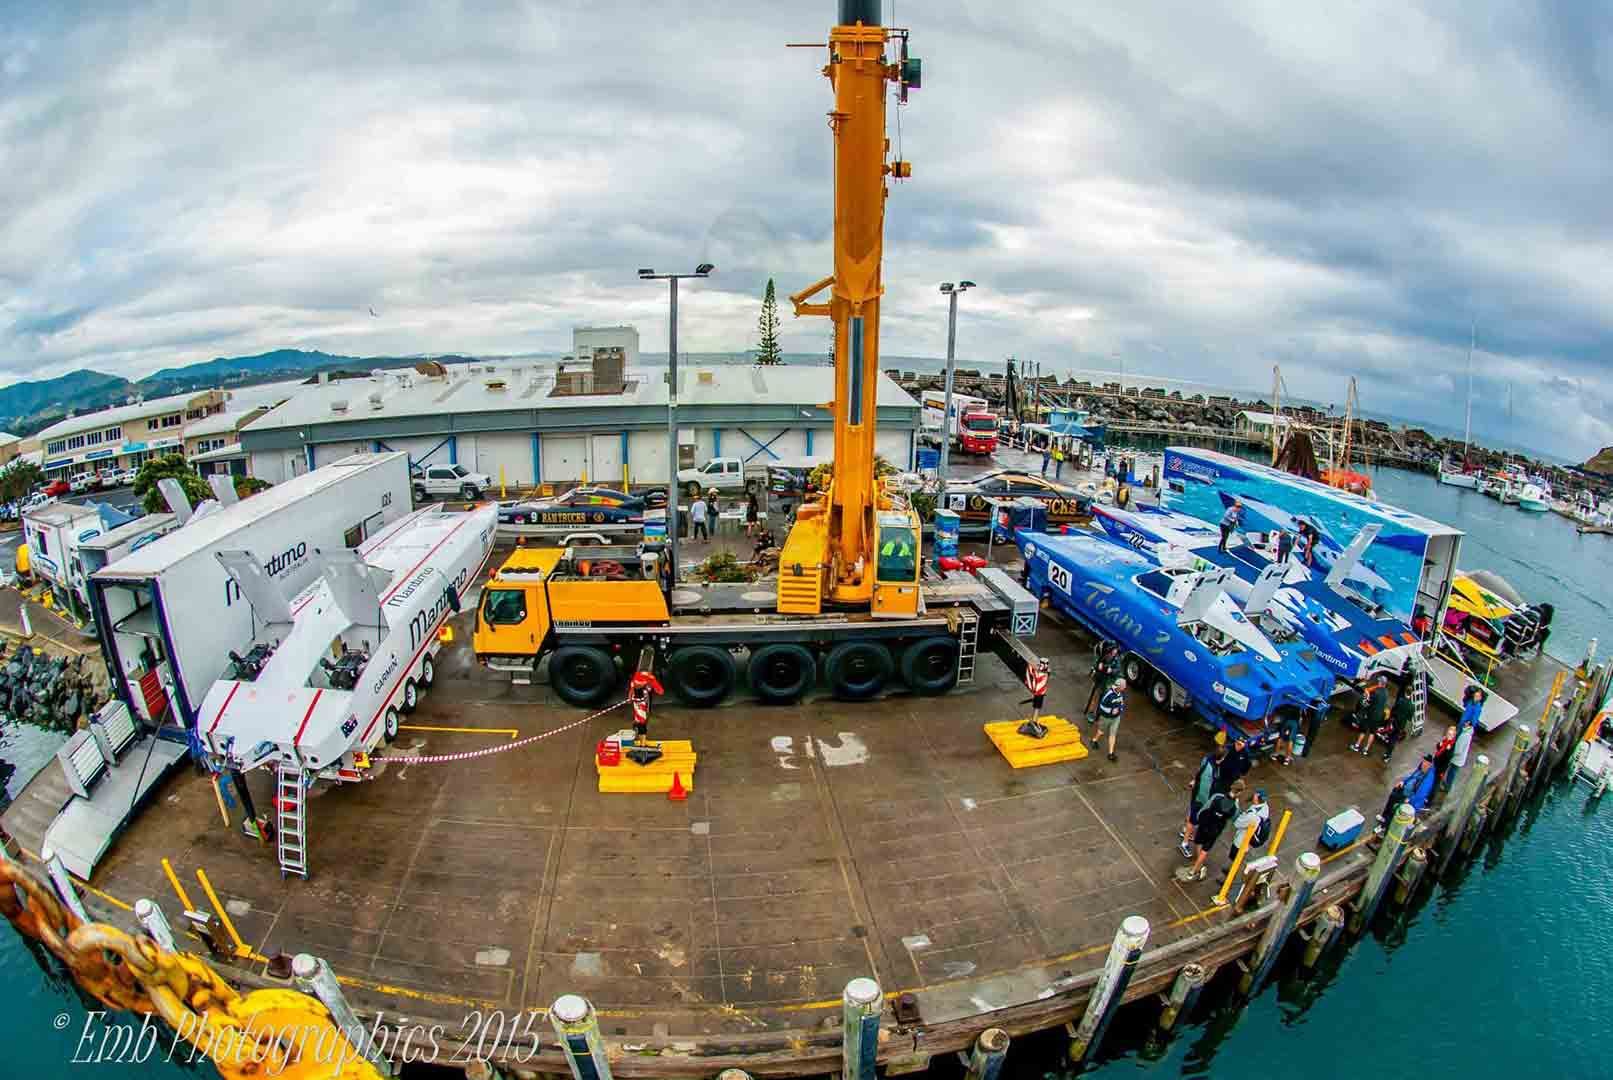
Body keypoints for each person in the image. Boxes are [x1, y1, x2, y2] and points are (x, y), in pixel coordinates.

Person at [1177, 780, 1244, 882]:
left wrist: (1200, 818)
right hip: (1215, 830)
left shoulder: (1217, 797)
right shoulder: (1235, 807)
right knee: (1205, 850)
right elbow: (1235, 818)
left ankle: (1199, 865)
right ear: (1239, 793)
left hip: (1205, 824)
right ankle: (1193, 871)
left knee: (1198, 843)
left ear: (1231, 787)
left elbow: (1205, 807)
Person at [1181, 740, 1227, 858]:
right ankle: (1185, 843)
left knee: (1192, 814)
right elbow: (1205, 789)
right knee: (1194, 820)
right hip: (1201, 798)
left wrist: (1194, 781)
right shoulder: (1211, 770)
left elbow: (1199, 772)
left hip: (1198, 794)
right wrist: (1207, 803)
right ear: (1221, 758)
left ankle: (1186, 831)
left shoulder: (1207, 759)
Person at [1377, 755, 1437, 835]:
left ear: (1430, 765)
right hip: (1405, 792)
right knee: (1393, 795)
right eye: (1423, 761)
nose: (1423, 764)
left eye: (1425, 763)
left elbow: (1421, 794)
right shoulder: (1420, 769)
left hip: (1411, 800)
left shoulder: (1429, 778)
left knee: (1396, 808)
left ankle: (1384, 827)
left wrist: (1410, 799)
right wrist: (1403, 782)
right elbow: (1411, 777)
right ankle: (1384, 817)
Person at [1228, 788, 1272, 867]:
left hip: (1241, 841)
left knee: (1234, 857)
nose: (1253, 795)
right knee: (1238, 857)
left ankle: (1230, 873)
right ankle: (1231, 869)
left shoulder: (1252, 815)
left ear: (1257, 798)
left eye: (1255, 795)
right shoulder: (1265, 806)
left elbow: (1237, 823)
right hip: (1248, 840)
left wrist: (1236, 807)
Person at [1350, 675, 1391, 756]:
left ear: (1380, 682)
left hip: (1370, 714)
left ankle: (1356, 746)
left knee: (1363, 730)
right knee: (1372, 733)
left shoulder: (1376, 692)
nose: (1378, 682)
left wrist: (1367, 695)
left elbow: (1367, 702)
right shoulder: (1386, 692)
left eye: (1379, 681)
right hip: (1378, 716)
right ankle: (1366, 750)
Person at [1084, 640, 1122, 722]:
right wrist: (1098, 666)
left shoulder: (1116, 658)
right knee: (1095, 695)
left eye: (1116, 649)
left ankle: (1101, 712)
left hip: (1109, 680)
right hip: (1099, 678)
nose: (1115, 651)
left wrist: (1111, 670)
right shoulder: (1101, 653)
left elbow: (1118, 670)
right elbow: (1096, 663)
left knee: (1105, 697)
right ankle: (1091, 712)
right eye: (1113, 649)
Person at [1095, 677, 1126, 762]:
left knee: (1113, 734)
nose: (1125, 688)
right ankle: (1095, 740)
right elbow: (1101, 707)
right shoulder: (1108, 694)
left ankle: (1110, 754)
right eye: (1124, 686)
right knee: (1101, 731)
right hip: (1106, 717)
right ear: (1119, 686)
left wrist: (1119, 710)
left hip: (1116, 718)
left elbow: (1122, 704)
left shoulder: (1121, 694)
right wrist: (1111, 711)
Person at [1430, 724, 1457, 794]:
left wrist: (1447, 750)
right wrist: (1440, 745)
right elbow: (1438, 747)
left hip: (1441, 768)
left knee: (1435, 783)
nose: (1448, 736)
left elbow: (1448, 757)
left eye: (1451, 734)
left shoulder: (1452, 744)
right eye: (1448, 733)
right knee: (1431, 779)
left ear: (1454, 735)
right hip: (1436, 763)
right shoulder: (1445, 740)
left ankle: (1430, 799)